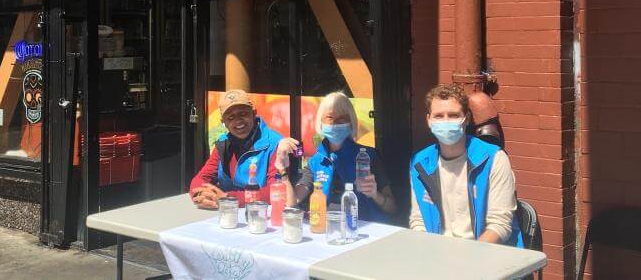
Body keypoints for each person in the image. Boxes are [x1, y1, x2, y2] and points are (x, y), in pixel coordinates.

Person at [410, 84, 523, 246]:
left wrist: (470, 259)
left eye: (454, 115)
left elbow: (500, 225)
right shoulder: (420, 163)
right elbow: (418, 220)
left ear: (467, 119)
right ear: (429, 120)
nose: (446, 121)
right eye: (439, 116)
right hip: (439, 255)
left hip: (487, 254)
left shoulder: (493, 158)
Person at [278, 92, 397, 222]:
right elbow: (292, 201)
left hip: (366, 231)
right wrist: (282, 169)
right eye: (330, 117)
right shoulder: (316, 161)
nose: (335, 123)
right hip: (328, 230)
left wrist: (376, 195)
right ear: (320, 122)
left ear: (351, 122)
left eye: (342, 118)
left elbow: (392, 208)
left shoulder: (368, 156)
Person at [189, 89, 288, 209]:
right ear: (223, 122)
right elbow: (201, 177)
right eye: (230, 118)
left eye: (243, 114)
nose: (238, 121)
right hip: (226, 214)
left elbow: (276, 192)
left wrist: (228, 198)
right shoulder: (223, 142)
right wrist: (201, 195)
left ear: (254, 113)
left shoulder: (276, 144)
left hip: (261, 216)